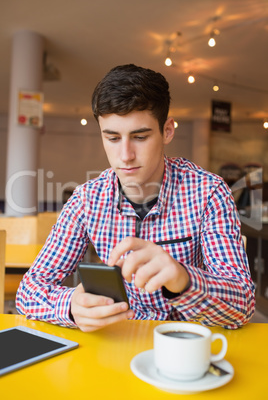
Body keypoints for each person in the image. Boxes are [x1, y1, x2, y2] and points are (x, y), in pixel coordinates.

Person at [16, 64, 255, 331]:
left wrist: (183, 279)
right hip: (115, 342)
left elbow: (241, 306)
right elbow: (28, 291)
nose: (125, 155)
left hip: (183, 342)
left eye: (140, 137)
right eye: (113, 138)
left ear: (167, 131)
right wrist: (71, 305)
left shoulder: (208, 192)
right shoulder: (86, 199)